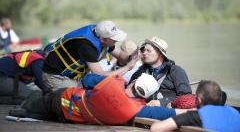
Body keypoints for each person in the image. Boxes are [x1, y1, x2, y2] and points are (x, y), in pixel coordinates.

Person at [9, 73, 188, 124]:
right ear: (147, 96)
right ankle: (31, 109)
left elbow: (86, 79)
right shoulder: (138, 109)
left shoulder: (112, 82)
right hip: (76, 118)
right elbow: (163, 113)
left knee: (40, 100)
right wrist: (192, 111)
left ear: (134, 80)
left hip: (63, 99)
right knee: (57, 115)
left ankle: (27, 108)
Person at [43, 21, 140, 92]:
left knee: (93, 92)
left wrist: (131, 57)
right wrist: (128, 67)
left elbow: (119, 54)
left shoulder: (101, 35)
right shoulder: (86, 46)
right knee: (80, 97)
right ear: (102, 39)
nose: (117, 40)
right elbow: (100, 74)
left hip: (72, 77)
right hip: (54, 76)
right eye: (114, 38)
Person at [150, 80, 240, 132]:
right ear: (220, 99)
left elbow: (155, 128)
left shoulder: (196, 116)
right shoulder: (235, 112)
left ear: (199, 100)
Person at [129, 36, 192, 107]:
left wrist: (162, 102)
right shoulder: (140, 71)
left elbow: (187, 97)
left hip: (169, 112)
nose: (144, 53)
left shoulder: (176, 71)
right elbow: (128, 92)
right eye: (144, 50)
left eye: (148, 51)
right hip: (145, 110)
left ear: (160, 54)